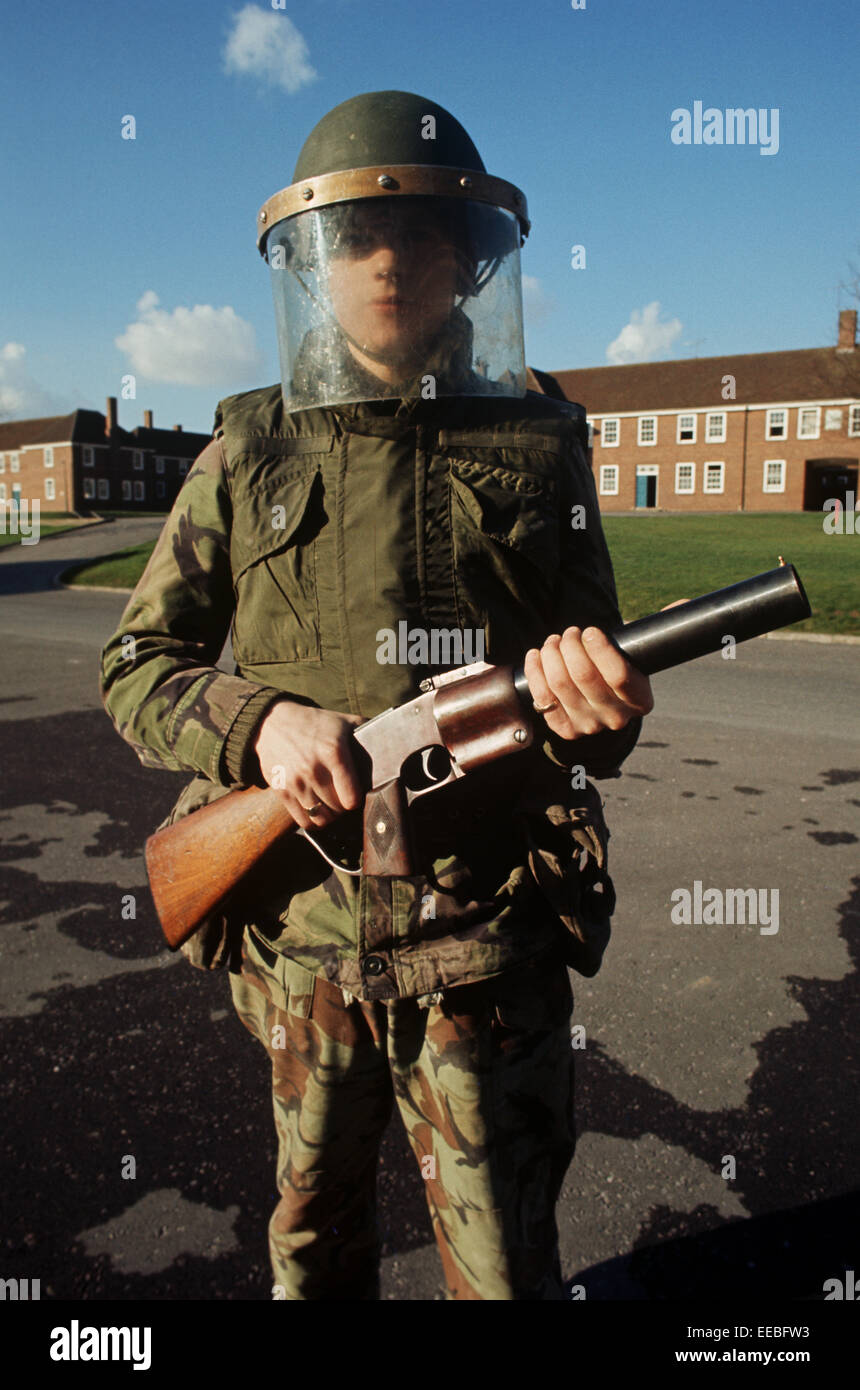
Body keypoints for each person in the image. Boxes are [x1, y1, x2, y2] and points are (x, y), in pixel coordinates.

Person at [100, 89, 653, 1301]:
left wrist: (601, 706)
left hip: (490, 946)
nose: (387, 261)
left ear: (468, 263)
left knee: (505, 1269)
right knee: (312, 1249)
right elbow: (136, 664)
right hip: (307, 948)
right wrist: (259, 725)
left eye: (421, 236)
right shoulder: (245, 451)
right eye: (354, 238)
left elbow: (594, 679)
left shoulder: (541, 439)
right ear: (313, 264)